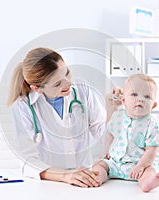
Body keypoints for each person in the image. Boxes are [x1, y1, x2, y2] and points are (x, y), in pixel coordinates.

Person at [6, 47, 106, 188]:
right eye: (58, 83)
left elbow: (100, 128)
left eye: (67, 73)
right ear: (37, 88)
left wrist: (116, 114)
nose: (68, 83)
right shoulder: (24, 106)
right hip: (49, 185)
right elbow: (27, 161)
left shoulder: (82, 90)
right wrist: (66, 176)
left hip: (86, 178)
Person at [92, 73, 159, 192]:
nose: (140, 98)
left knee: (150, 170)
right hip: (114, 163)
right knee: (99, 165)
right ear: (124, 100)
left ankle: (147, 182)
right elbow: (110, 133)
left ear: (154, 105)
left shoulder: (152, 125)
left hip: (137, 166)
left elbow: (151, 150)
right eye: (134, 94)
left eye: (147, 97)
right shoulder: (117, 117)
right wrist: (106, 151)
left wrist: (141, 166)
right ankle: (97, 177)